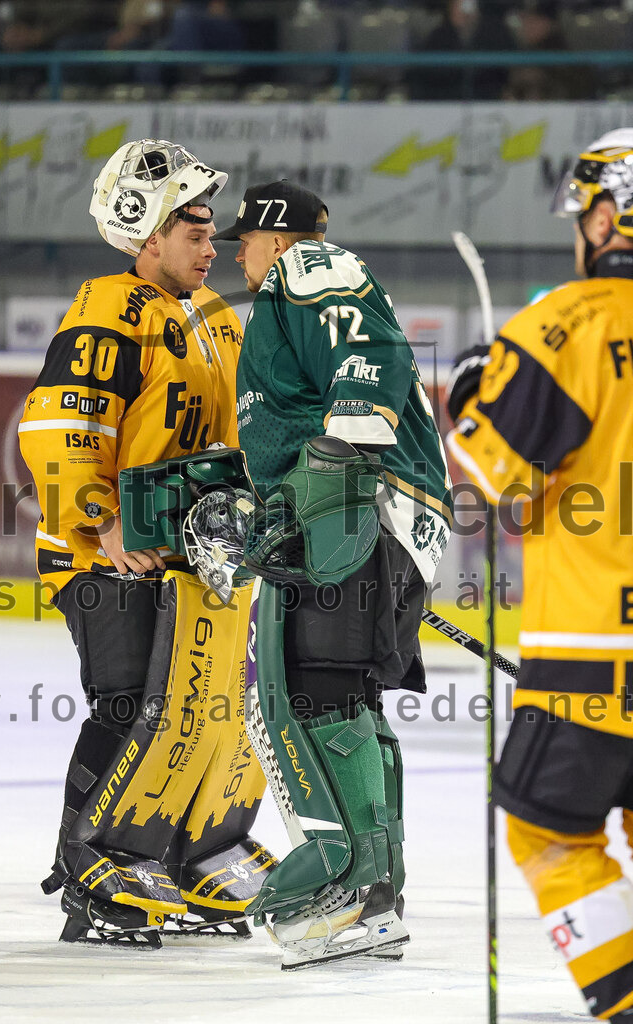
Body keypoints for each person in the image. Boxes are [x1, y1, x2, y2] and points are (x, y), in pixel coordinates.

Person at [18, 138, 273, 947]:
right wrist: (100, 516)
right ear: (146, 234)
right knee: (132, 707)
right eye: (194, 232)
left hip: (194, 563)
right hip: (106, 557)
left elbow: (246, 436)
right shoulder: (105, 312)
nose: (212, 246)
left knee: (207, 715)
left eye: (211, 232)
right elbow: (60, 425)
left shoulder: (217, 321)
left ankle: (176, 856)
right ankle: (89, 867)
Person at [213, 180, 453, 969]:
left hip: (351, 518)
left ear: (277, 239)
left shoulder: (309, 267)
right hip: (369, 518)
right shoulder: (292, 286)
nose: (236, 254)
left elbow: (369, 360)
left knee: (308, 698)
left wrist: (327, 485)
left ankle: (344, 891)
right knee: (345, 703)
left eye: (244, 239)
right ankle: (375, 898)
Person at [445, 129, 633, 1023]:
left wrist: (473, 392)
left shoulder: (567, 323)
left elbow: (495, 484)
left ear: (605, 215)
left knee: (548, 830)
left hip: (592, 647)